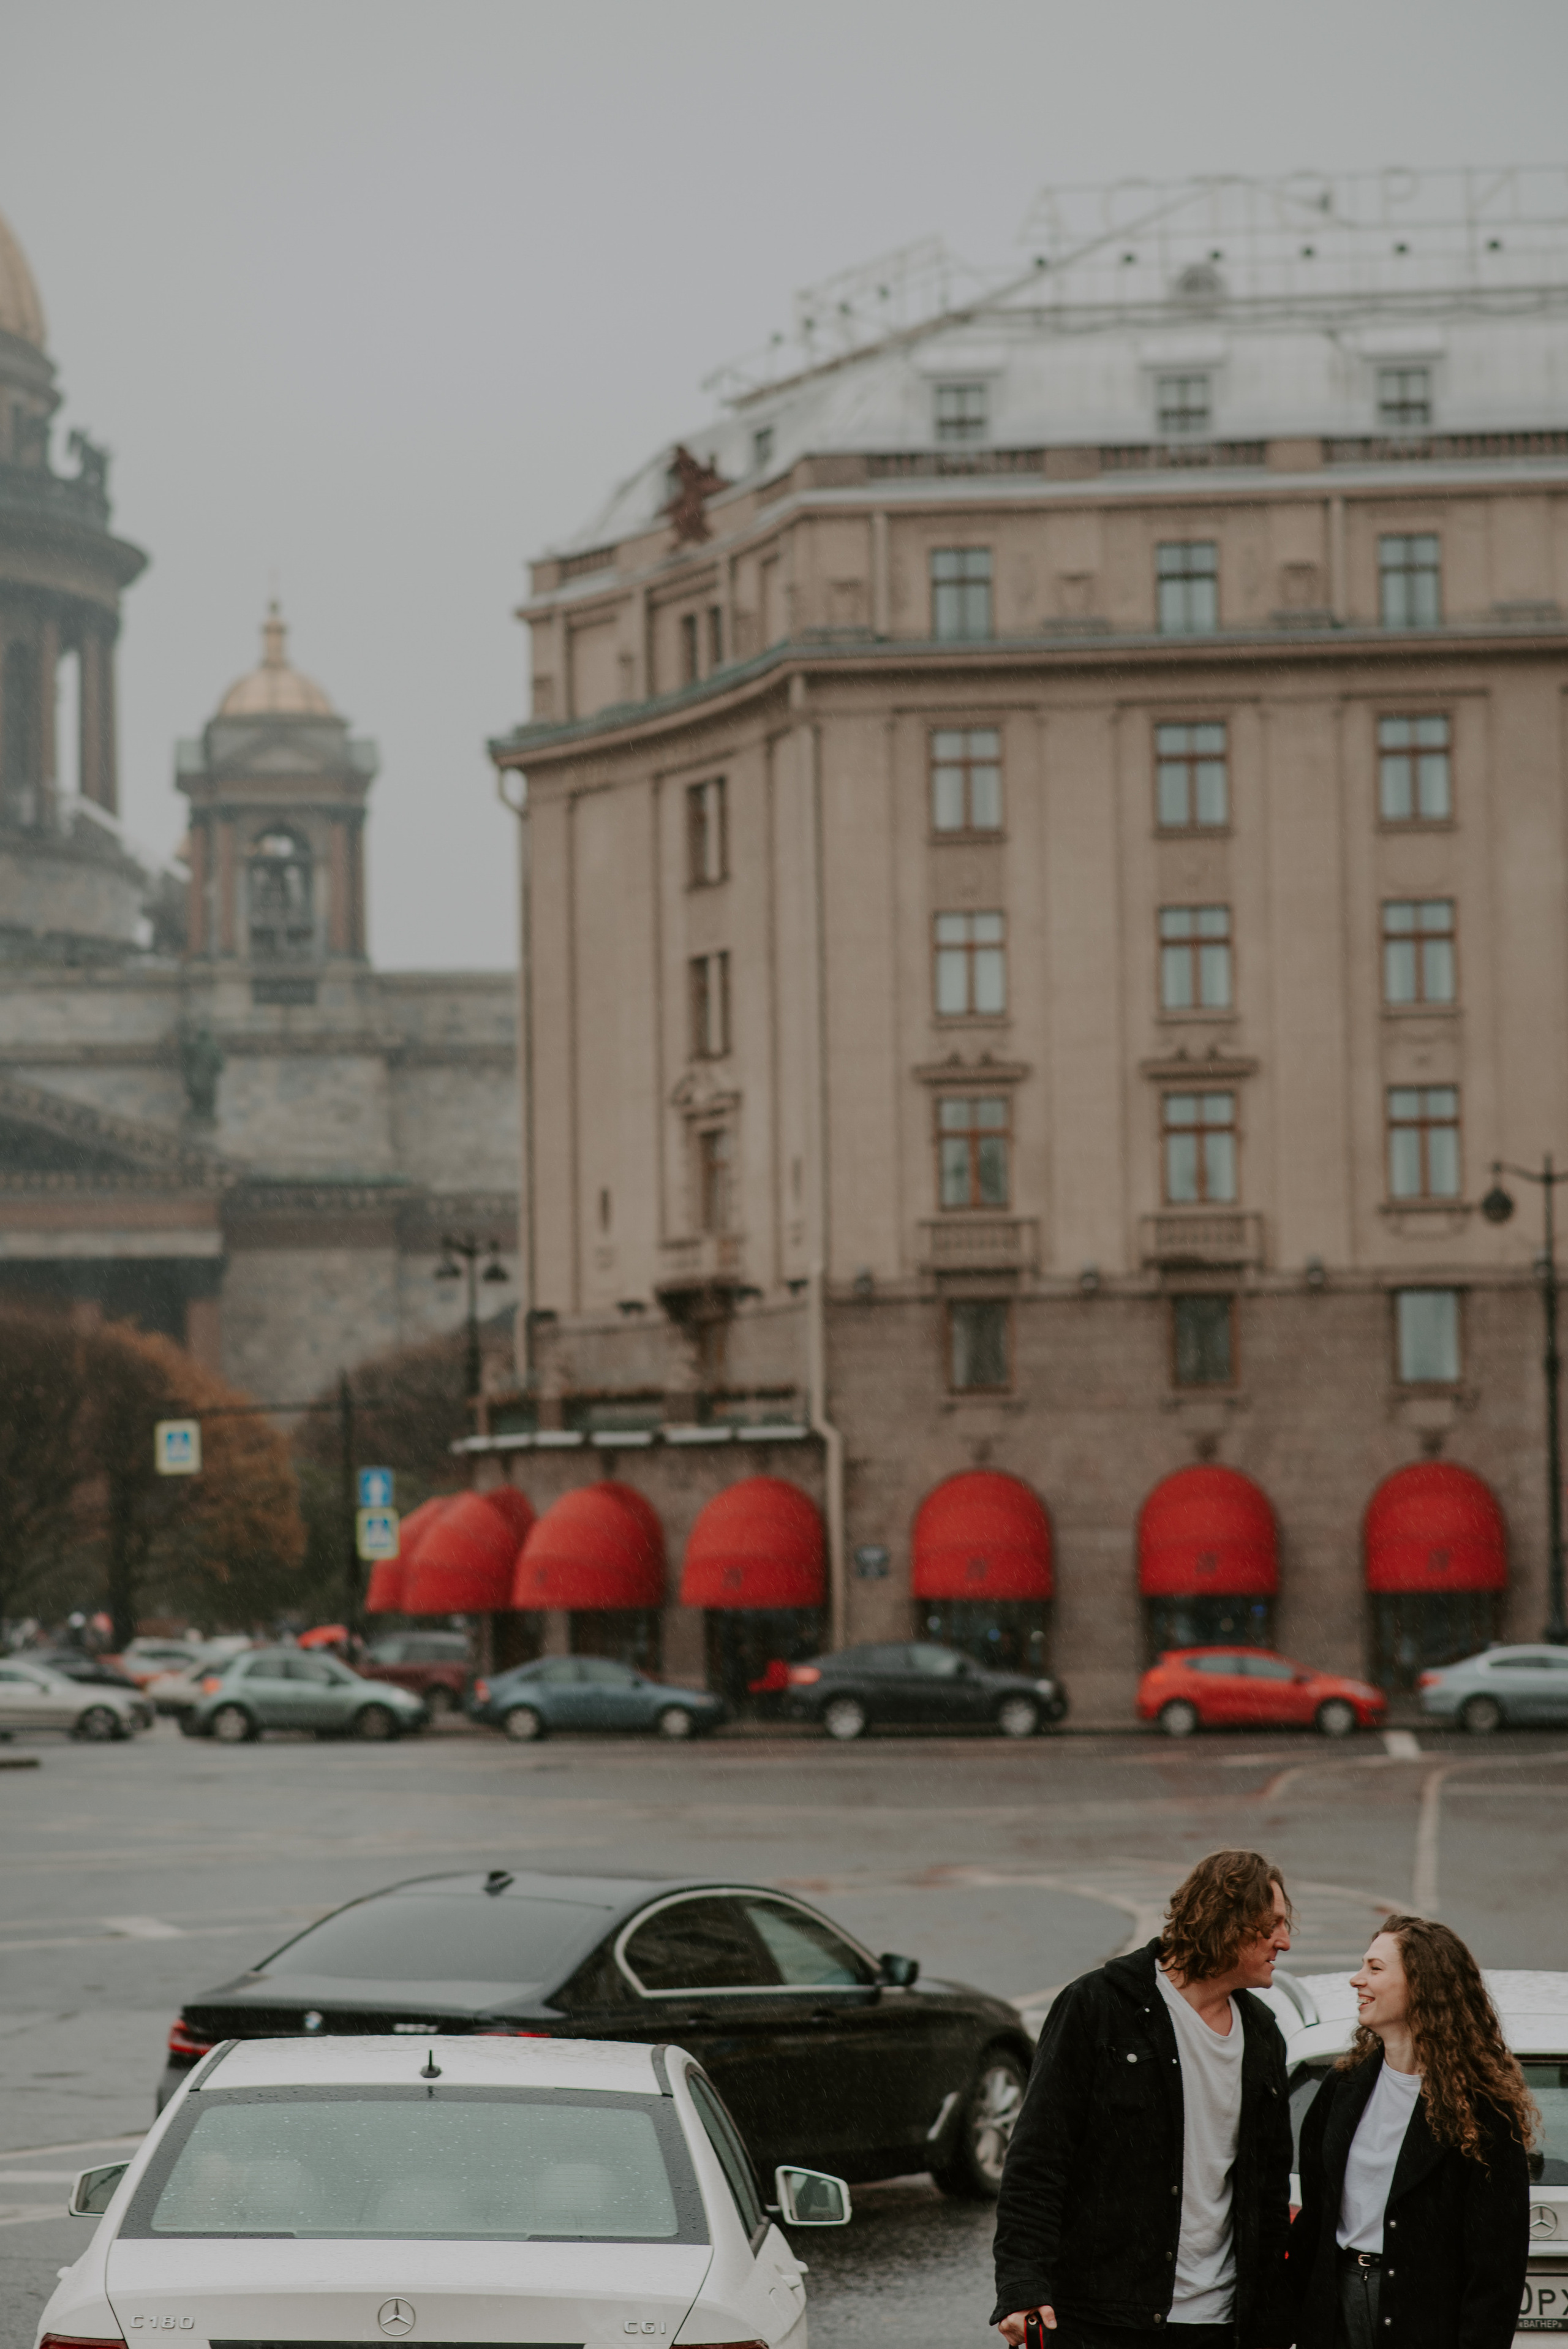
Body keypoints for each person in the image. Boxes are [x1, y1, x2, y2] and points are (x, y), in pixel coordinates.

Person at [992, 1848, 1295, 2349]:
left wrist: (1272, 2319)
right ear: (1227, 1922)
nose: (1284, 1941)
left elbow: (1266, 2196)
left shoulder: (1263, 2037)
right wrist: (1022, 2285)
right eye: (1273, 1926)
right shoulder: (1099, 2006)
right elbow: (1039, 2157)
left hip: (1220, 2324)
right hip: (1102, 2318)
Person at [1289, 1913, 1533, 2349]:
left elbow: (1496, 2266)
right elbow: (1314, 2223)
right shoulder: (1342, 2088)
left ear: (1422, 1985)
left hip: (1424, 2315)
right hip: (1334, 2308)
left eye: (1375, 1969)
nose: (1357, 1980)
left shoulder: (1482, 2109)